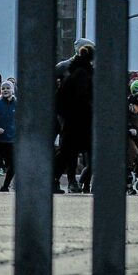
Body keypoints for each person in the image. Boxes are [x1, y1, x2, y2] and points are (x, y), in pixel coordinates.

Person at [56, 42, 94, 191]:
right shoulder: (65, 67)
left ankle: (81, 180)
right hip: (72, 115)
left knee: (71, 149)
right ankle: (71, 180)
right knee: (69, 150)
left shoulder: (85, 69)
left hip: (78, 115)